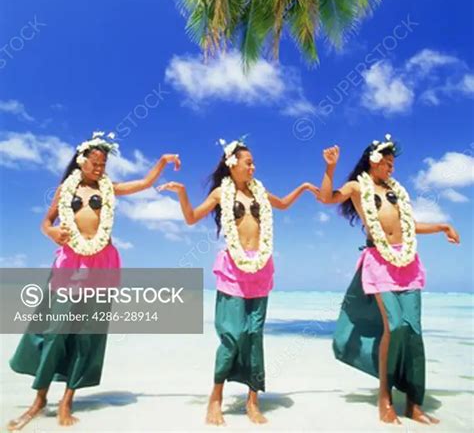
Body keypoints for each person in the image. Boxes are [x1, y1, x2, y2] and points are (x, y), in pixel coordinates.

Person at [7, 131, 180, 430]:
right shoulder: (66, 189)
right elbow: (46, 222)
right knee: (55, 330)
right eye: (95, 162)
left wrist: (162, 161)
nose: (100, 168)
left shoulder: (109, 189)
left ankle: (67, 400)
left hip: (102, 264)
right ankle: (40, 398)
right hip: (70, 264)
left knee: (87, 334)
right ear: (81, 161)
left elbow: (143, 184)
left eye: (103, 163)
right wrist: (51, 233)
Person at [159, 137, 319, 426]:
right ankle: (216, 397)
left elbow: (281, 204)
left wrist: (305, 188)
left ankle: (253, 400)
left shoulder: (260, 192)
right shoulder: (222, 193)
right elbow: (192, 218)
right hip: (233, 269)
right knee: (232, 336)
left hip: (261, 269)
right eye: (248, 162)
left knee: (254, 335)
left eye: (254, 162)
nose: (253, 166)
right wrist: (182, 192)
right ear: (232, 164)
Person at [317, 136, 460, 425]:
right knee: (394, 326)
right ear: (374, 160)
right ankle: (384, 396)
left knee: (413, 331)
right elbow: (327, 198)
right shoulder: (358, 186)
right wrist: (330, 169)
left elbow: (408, 226)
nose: (392, 168)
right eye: (388, 163)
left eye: (394, 164)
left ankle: (413, 403)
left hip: (407, 262)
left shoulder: (396, 192)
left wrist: (442, 225)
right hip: (379, 262)